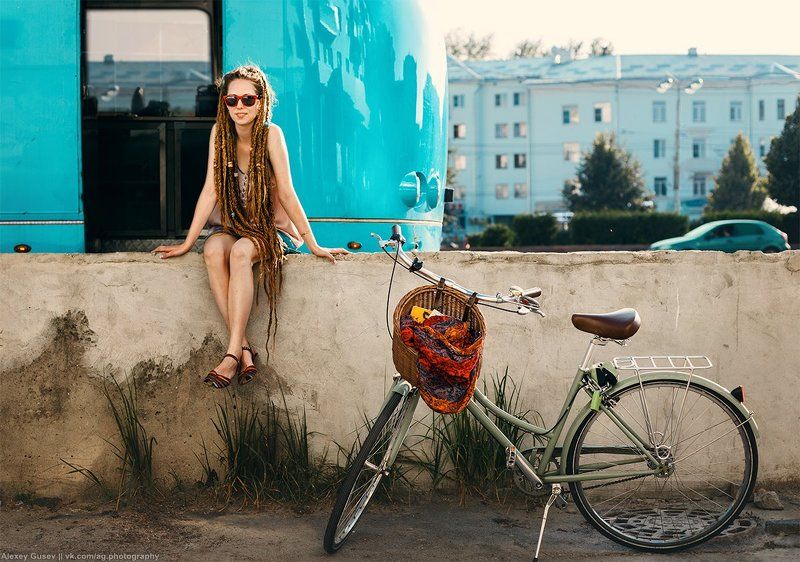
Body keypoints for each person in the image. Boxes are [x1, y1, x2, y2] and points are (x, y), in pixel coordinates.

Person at [152, 64, 348, 389]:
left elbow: (286, 191)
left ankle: (231, 355)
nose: (240, 107)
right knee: (213, 249)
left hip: (272, 232)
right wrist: (187, 243)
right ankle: (244, 350)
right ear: (224, 103)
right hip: (238, 225)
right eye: (232, 101)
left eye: (248, 99)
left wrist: (313, 243)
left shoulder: (272, 135)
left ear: (261, 102)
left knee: (241, 251)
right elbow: (210, 189)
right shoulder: (220, 135)